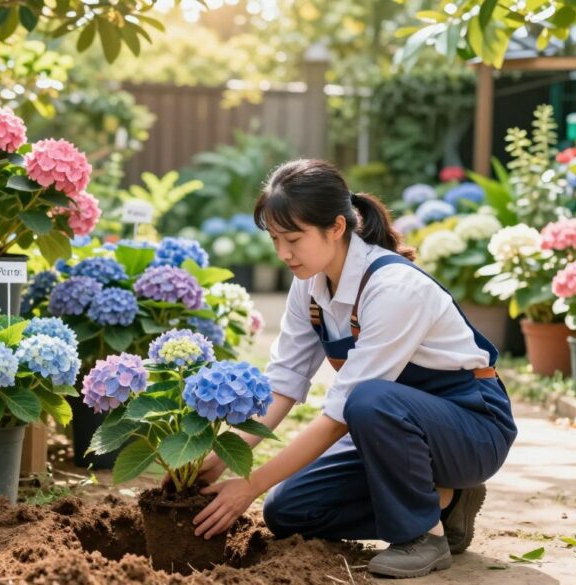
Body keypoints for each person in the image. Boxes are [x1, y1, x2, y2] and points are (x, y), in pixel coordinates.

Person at [188, 159, 517, 578]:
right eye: (274, 239)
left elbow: (341, 414)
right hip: (393, 431)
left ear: (337, 227)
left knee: (367, 400)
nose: (283, 253)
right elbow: (284, 381)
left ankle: (424, 536)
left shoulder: (394, 288)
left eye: (293, 238)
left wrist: (250, 486)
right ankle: (447, 503)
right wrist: (224, 456)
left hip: (471, 428)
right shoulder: (309, 285)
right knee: (289, 511)